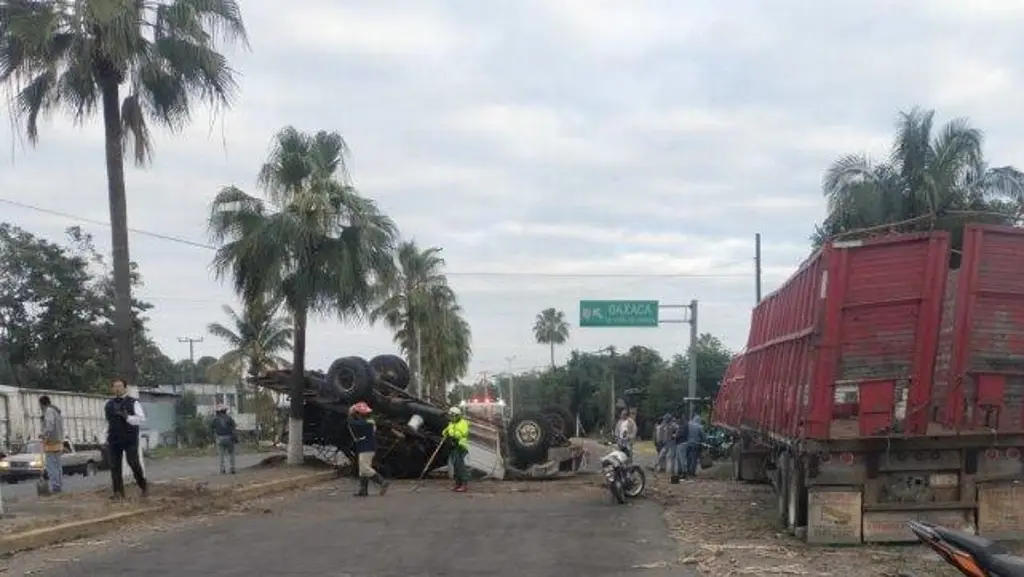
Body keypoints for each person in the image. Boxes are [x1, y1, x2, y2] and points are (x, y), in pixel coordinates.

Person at [105, 378, 148, 500]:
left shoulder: (133, 402)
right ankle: (118, 492)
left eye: (120, 386)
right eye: (115, 386)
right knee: (114, 466)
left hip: (130, 439)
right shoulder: (108, 404)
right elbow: (107, 422)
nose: (117, 389)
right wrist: (105, 438)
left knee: (133, 462)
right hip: (114, 438)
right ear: (112, 389)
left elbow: (141, 419)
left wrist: (127, 417)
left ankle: (143, 484)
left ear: (125, 388)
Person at [347, 402, 389, 497]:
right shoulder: (369, 421)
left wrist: (350, 414)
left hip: (367, 448)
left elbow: (352, 423)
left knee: (365, 468)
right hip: (366, 447)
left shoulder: (367, 423)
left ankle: (382, 481)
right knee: (362, 470)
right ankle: (363, 490)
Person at [38, 396, 64, 494]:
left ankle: (55, 486)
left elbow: (49, 426)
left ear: (42, 404)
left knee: (51, 467)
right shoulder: (57, 412)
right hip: (59, 442)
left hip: (51, 443)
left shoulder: (49, 411)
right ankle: (59, 486)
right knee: (58, 466)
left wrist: (43, 435)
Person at [442, 406, 470, 492]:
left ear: (457, 415)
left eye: (452, 416)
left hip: (460, 446)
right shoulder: (451, 424)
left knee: (459, 465)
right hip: (453, 446)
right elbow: (444, 432)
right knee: (455, 465)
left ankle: (464, 484)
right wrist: (445, 432)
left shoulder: (463, 423)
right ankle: (458, 484)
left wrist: (453, 435)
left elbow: (462, 432)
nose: (450, 417)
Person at [211, 405, 237, 475]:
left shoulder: (215, 419)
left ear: (218, 412)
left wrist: (214, 436)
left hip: (219, 438)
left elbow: (211, 428)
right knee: (231, 454)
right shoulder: (229, 418)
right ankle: (232, 469)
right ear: (225, 411)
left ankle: (222, 469)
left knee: (221, 455)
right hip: (229, 438)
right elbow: (234, 427)